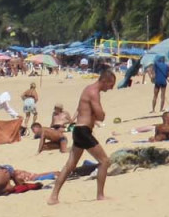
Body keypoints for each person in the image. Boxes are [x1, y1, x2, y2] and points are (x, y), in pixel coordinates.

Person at [47, 67, 117, 206]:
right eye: (111, 84)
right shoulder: (93, 92)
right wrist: (100, 115)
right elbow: (101, 115)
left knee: (70, 165)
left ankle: (53, 196)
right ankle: (100, 195)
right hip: (83, 131)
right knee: (104, 161)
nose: (111, 88)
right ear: (105, 80)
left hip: (79, 130)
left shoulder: (88, 89)